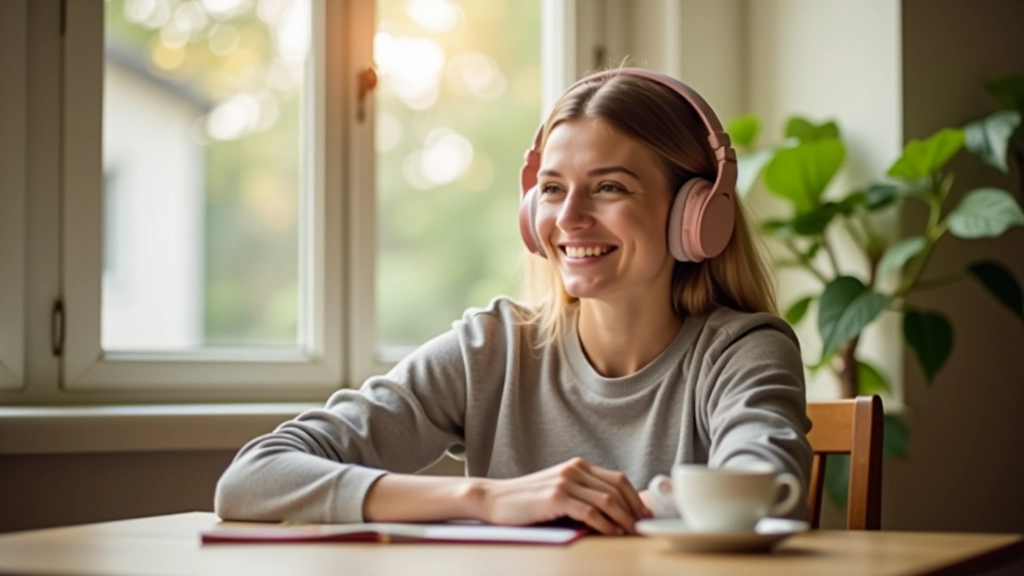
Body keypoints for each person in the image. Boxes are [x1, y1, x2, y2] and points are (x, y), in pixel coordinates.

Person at [214, 67, 812, 536]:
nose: (570, 218)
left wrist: (589, 505)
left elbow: (756, 484)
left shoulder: (741, 351)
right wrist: (486, 498)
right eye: (552, 189)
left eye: (609, 187)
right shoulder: (493, 348)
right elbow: (253, 477)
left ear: (697, 215)